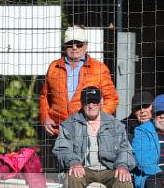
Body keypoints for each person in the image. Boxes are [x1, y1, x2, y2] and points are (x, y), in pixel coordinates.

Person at [53, 86, 135, 188]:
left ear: (101, 102)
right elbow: (61, 148)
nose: (91, 105)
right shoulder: (70, 124)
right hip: (84, 168)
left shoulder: (115, 124)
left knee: (124, 180)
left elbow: (126, 150)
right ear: (82, 103)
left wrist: (122, 165)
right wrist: (73, 162)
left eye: (94, 102)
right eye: (87, 102)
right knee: (73, 177)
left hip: (109, 169)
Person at [38, 26, 118, 160]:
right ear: (64, 46)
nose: (74, 47)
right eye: (70, 43)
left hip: (88, 133)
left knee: (84, 173)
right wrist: (45, 118)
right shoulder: (53, 67)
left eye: (79, 43)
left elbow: (112, 100)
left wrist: (96, 119)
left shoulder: (99, 68)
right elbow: (44, 97)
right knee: (62, 174)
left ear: (86, 46)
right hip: (59, 131)